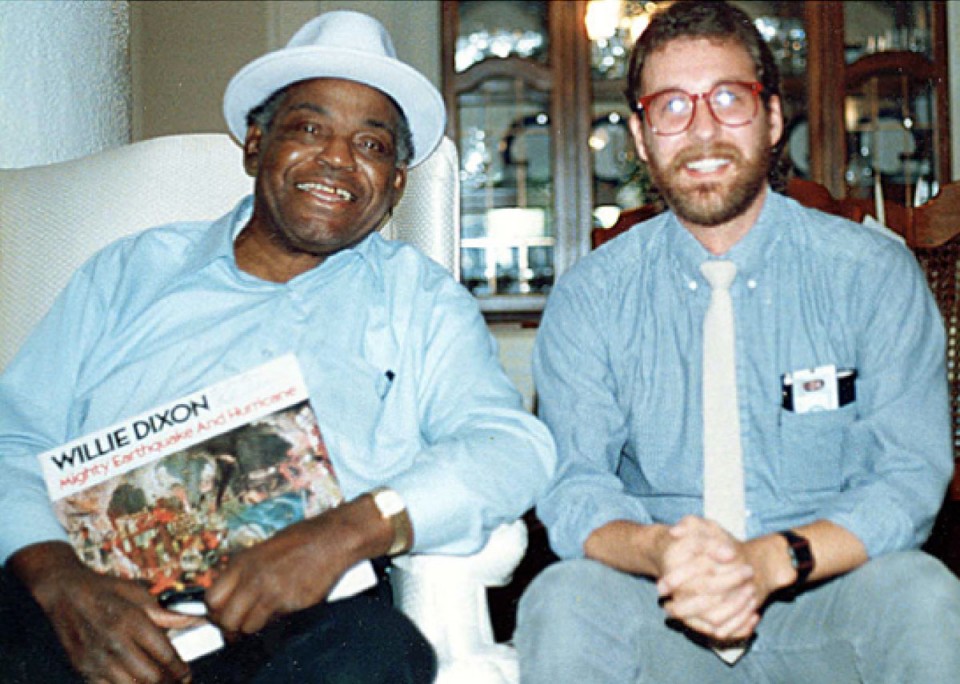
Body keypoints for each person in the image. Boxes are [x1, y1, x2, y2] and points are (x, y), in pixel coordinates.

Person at [0, 10, 554, 684]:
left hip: (302, 610)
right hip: (89, 597)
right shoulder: (131, 272)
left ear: (395, 185)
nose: (338, 158)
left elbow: (511, 448)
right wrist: (57, 580)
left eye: (371, 144)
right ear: (255, 146)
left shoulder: (419, 299)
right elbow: (13, 436)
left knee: (380, 652)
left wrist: (347, 532)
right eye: (309, 129)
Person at [515, 2, 960, 682]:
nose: (702, 130)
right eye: (671, 106)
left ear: (773, 118)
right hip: (664, 603)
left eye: (728, 98)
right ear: (640, 136)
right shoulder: (592, 296)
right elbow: (575, 486)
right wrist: (663, 552)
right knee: (563, 599)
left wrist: (773, 560)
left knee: (923, 595)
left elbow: (907, 476)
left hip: (825, 594)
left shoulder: (870, 275)